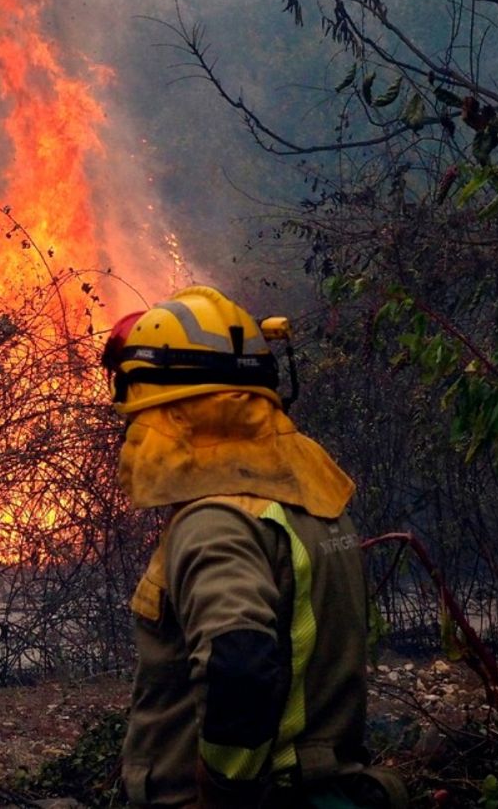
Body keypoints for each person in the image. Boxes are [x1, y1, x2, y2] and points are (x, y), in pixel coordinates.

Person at [101, 286, 406, 809]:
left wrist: (224, 788)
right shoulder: (311, 503)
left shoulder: (214, 523)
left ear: (172, 412)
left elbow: (239, 664)